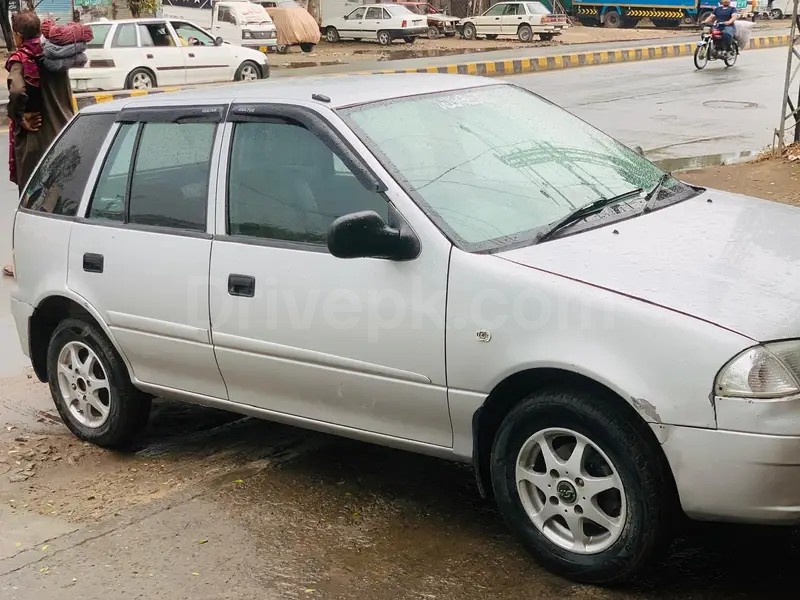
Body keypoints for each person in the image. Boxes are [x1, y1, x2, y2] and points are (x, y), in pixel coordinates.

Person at [3, 11, 75, 277]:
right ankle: (61, 259)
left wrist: (19, 118)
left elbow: (18, 91)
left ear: (18, 35)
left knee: (31, 204)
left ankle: (24, 261)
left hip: (37, 141)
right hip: (67, 134)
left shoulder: (21, 59)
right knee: (60, 199)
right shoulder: (54, 55)